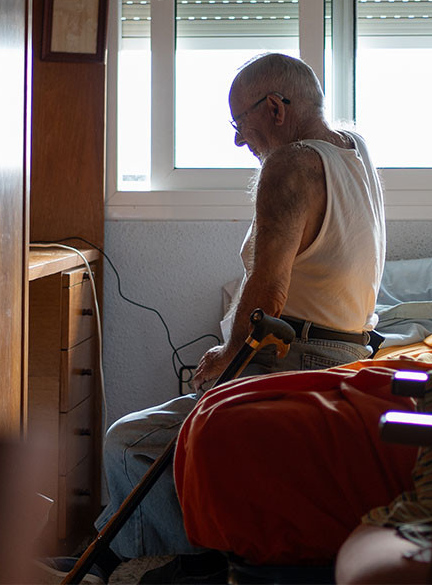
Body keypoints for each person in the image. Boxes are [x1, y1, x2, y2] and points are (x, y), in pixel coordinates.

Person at [87, 53, 386, 582]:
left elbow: (269, 292)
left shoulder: (291, 164)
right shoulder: (353, 151)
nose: (237, 141)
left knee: (127, 442)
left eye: (238, 123)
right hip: (346, 353)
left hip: (289, 357)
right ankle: (115, 557)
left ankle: (180, 564)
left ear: (274, 108)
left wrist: (229, 354)